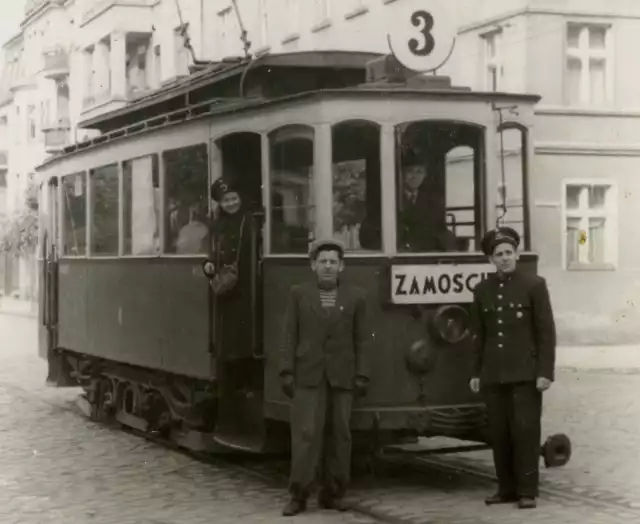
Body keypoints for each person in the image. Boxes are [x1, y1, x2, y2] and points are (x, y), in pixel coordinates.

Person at [279, 238, 373, 517]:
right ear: (313, 266)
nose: (328, 267)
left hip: (342, 377)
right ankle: (299, 495)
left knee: (340, 435)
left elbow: (363, 340)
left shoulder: (357, 297)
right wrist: (286, 371)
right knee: (306, 435)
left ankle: (333, 493)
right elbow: (288, 335)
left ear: (341, 266)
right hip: (308, 375)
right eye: (323, 262)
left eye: (333, 262)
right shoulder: (299, 294)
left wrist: (362, 374)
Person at [469, 226, 556, 510]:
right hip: (494, 374)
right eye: (499, 254)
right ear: (491, 259)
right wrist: (476, 373)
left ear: (516, 254)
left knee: (525, 431)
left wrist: (545, 372)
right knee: (500, 432)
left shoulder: (534, 285)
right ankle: (505, 488)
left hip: (526, 374)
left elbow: (546, 332)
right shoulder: (482, 290)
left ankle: (527, 491)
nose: (505, 258)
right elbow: (479, 335)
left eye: (508, 253)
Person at [203, 178, 254, 364]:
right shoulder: (216, 225)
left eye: (234, 198)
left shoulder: (250, 220)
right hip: (226, 286)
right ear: (220, 204)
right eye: (226, 201)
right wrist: (208, 264)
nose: (231, 203)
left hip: (248, 283)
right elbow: (211, 252)